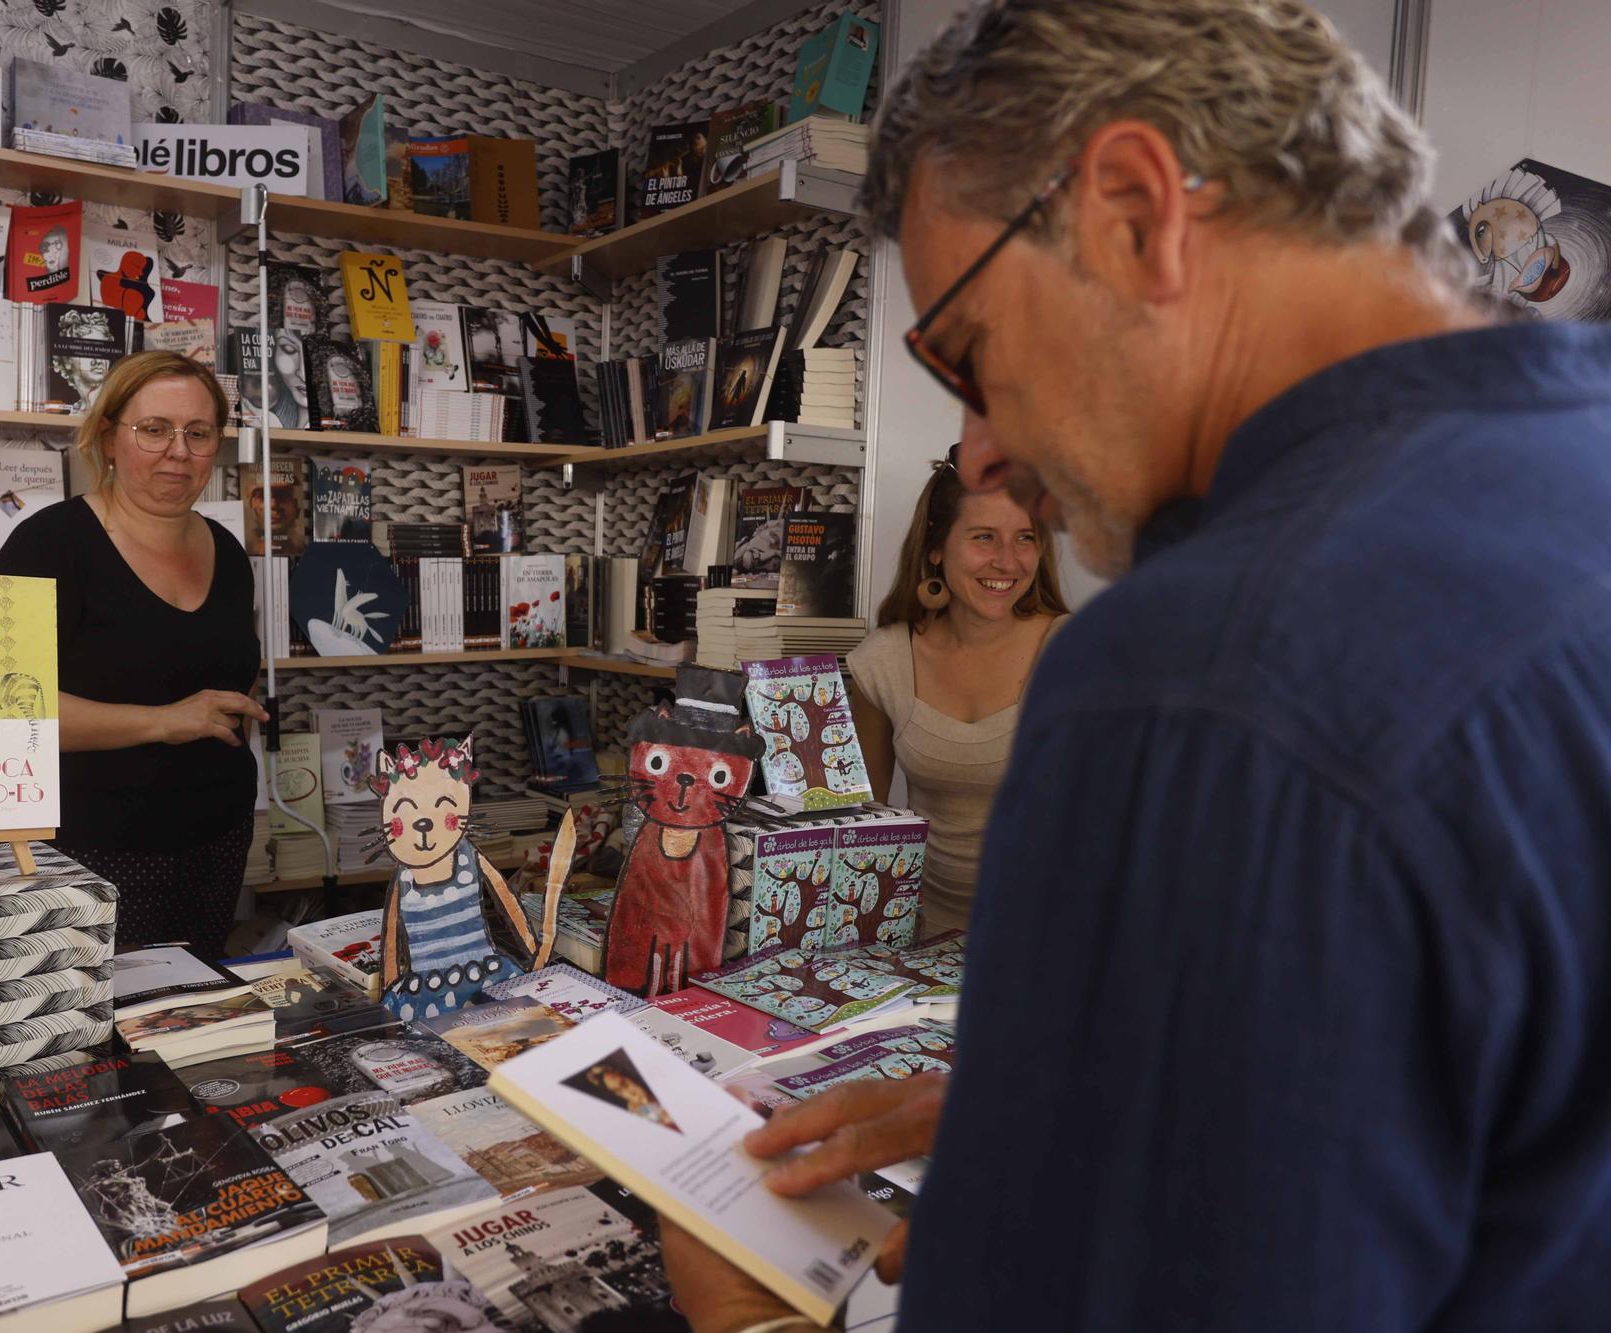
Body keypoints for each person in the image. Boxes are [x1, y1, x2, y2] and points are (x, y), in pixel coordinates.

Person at [659, 2, 1611, 1330]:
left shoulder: (1194, 680)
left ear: (1131, 211)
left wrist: (745, 1314)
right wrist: (1114, 1111)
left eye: (965, 353)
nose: (981, 448)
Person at [0, 350, 266, 956]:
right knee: (95, 1036)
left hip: (218, 837)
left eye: (199, 433)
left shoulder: (226, 547)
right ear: (109, 437)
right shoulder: (49, 545)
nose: (179, 450)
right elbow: (2, 711)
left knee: (194, 1021)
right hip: (87, 851)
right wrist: (165, 721)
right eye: (154, 430)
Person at [847, 453, 1068, 932]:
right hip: (921, 943)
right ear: (935, 549)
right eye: (984, 537)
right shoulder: (884, 661)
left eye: (1025, 538)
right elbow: (862, 826)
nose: (1007, 562)